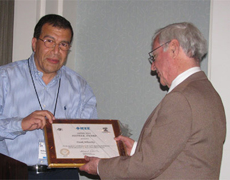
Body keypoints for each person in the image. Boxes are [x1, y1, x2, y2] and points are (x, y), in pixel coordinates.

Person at [79, 22, 226, 179]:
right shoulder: (209, 93)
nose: (153, 67)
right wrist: (136, 149)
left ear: (174, 48)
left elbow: (146, 166)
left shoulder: (181, 99)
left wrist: (101, 166)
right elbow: (185, 154)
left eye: (154, 57)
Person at [0, 14, 97, 179]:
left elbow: (88, 135)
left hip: (65, 174)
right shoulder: (3, 78)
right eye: (49, 41)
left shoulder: (80, 86)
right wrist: (20, 123)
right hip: (15, 173)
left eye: (63, 44)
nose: (56, 51)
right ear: (35, 43)